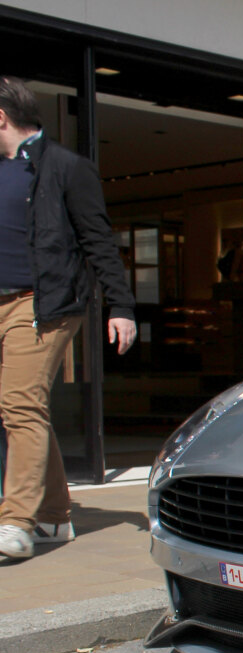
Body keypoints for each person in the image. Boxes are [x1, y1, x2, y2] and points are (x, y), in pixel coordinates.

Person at [0, 76, 136, 561]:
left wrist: (121, 307)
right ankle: (54, 518)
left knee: (19, 404)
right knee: (22, 408)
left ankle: (15, 522)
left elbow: (98, 239)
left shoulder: (64, 167)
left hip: (44, 304)